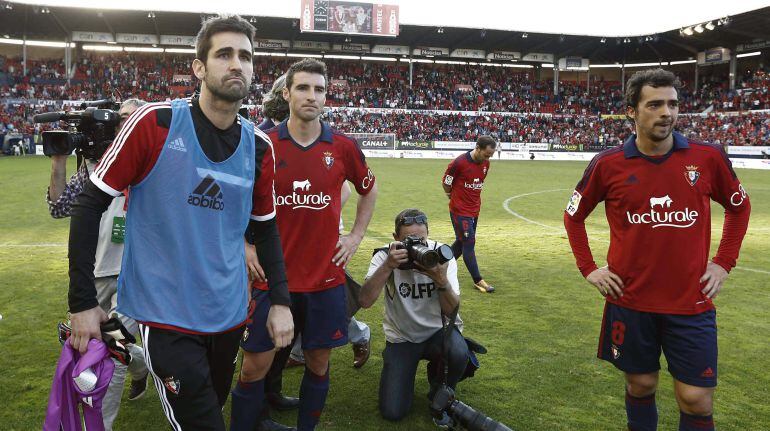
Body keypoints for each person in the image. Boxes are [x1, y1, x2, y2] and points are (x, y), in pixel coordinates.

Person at [67, 15, 293, 430]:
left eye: (245, 56)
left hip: (227, 314)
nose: (236, 64)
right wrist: (82, 302)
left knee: (211, 406)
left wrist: (280, 300)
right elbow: (88, 204)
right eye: (224, 54)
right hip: (164, 314)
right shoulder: (154, 124)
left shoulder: (259, 148)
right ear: (199, 67)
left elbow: (265, 228)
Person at [563, 69, 751, 431]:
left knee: (696, 399)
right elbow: (573, 217)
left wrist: (724, 262)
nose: (667, 112)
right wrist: (589, 268)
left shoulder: (707, 158)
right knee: (640, 384)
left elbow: (739, 207)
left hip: (691, 302)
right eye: (655, 104)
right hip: (630, 301)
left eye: (673, 104)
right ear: (632, 111)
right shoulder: (608, 164)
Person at [239, 58, 378, 431]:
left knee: (318, 362)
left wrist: (355, 236)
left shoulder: (344, 147)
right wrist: (245, 246)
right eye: (303, 88)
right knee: (255, 366)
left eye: (319, 89)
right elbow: (232, 201)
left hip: (324, 281)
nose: (311, 96)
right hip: (270, 277)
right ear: (286, 94)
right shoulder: (262, 144)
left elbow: (369, 188)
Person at [47, 98, 149, 431]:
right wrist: (59, 160)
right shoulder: (92, 168)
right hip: (95, 274)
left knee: (109, 350)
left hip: (133, 276)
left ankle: (98, 425)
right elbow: (61, 208)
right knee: (117, 346)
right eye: (121, 119)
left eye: (133, 119)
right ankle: (142, 365)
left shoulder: (151, 164)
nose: (126, 126)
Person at [359, 208, 468, 424]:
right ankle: (403, 369)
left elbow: (451, 310)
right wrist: (388, 266)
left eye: (421, 240)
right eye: (409, 241)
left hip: (439, 332)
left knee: (458, 352)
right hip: (402, 337)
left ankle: (439, 387)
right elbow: (364, 301)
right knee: (393, 412)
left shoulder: (441, 255)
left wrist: (440, 279)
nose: (417, 246)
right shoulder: (384, 255)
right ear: (395, 239)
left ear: (428, 235)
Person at [287, 180, 372, 370]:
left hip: (325, 239)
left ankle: (360, 335)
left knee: (326, 300)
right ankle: (299, 352)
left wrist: (318, 213)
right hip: (296, 239)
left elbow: (346, 190)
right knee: (301, 296)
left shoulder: (325, 154)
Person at [441, 136, 497, 293]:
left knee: (461, 242)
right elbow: (446, 182)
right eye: (486, 154)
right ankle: (478, 280)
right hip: (460, 210)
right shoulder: (459, 163)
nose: (488, 158)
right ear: (477, 148)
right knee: (469, 243)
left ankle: (439, 266)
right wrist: (451, 197)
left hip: (474, 210)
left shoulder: (486, 164)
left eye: (490, 155)